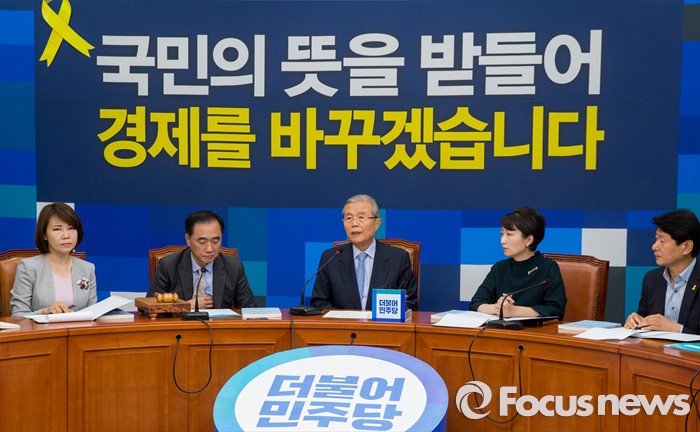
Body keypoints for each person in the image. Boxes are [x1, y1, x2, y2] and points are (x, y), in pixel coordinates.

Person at [310, 194, 418, 311]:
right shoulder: (330, 258)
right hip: (342, 323)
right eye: (349, 218)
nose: (354, 224)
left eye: (361, 217)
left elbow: (410, 304)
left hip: (382, 323)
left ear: (377, 223)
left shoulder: (398, 258)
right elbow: (319, 302)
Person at [469, 207, 567, 319]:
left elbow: (556, 310)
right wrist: (496, 308)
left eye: (509, 234)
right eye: (502, 234)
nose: (502, 241)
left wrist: (515, 311)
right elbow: (476, 303)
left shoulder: (548, 267)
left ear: (528, 240)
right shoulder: (499, 268)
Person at [147, 210, 257, 309]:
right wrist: (185, 306)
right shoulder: (169, 265)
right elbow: (149, 307)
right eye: (202, 242)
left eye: (215, 241)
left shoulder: (234, 267)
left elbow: (250, 309)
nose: (209, 249)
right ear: (188, 240)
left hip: (219, 324)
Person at [11, 203, 97, 316]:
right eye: (57, 229)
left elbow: (93, 313)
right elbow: (17, 316)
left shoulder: (87, 268)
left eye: (71, 228)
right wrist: (45, 312)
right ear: (44, 235)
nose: (66, 235)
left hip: (79, 328)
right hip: (42, 328)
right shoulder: (28, 268)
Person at [625, 209, 700, 334]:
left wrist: (676, 329)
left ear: (686, 247)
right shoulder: (652, 279)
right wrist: (635, 322)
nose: (654, 247)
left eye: (662, 241)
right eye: (656, 239)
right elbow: (644, 321)